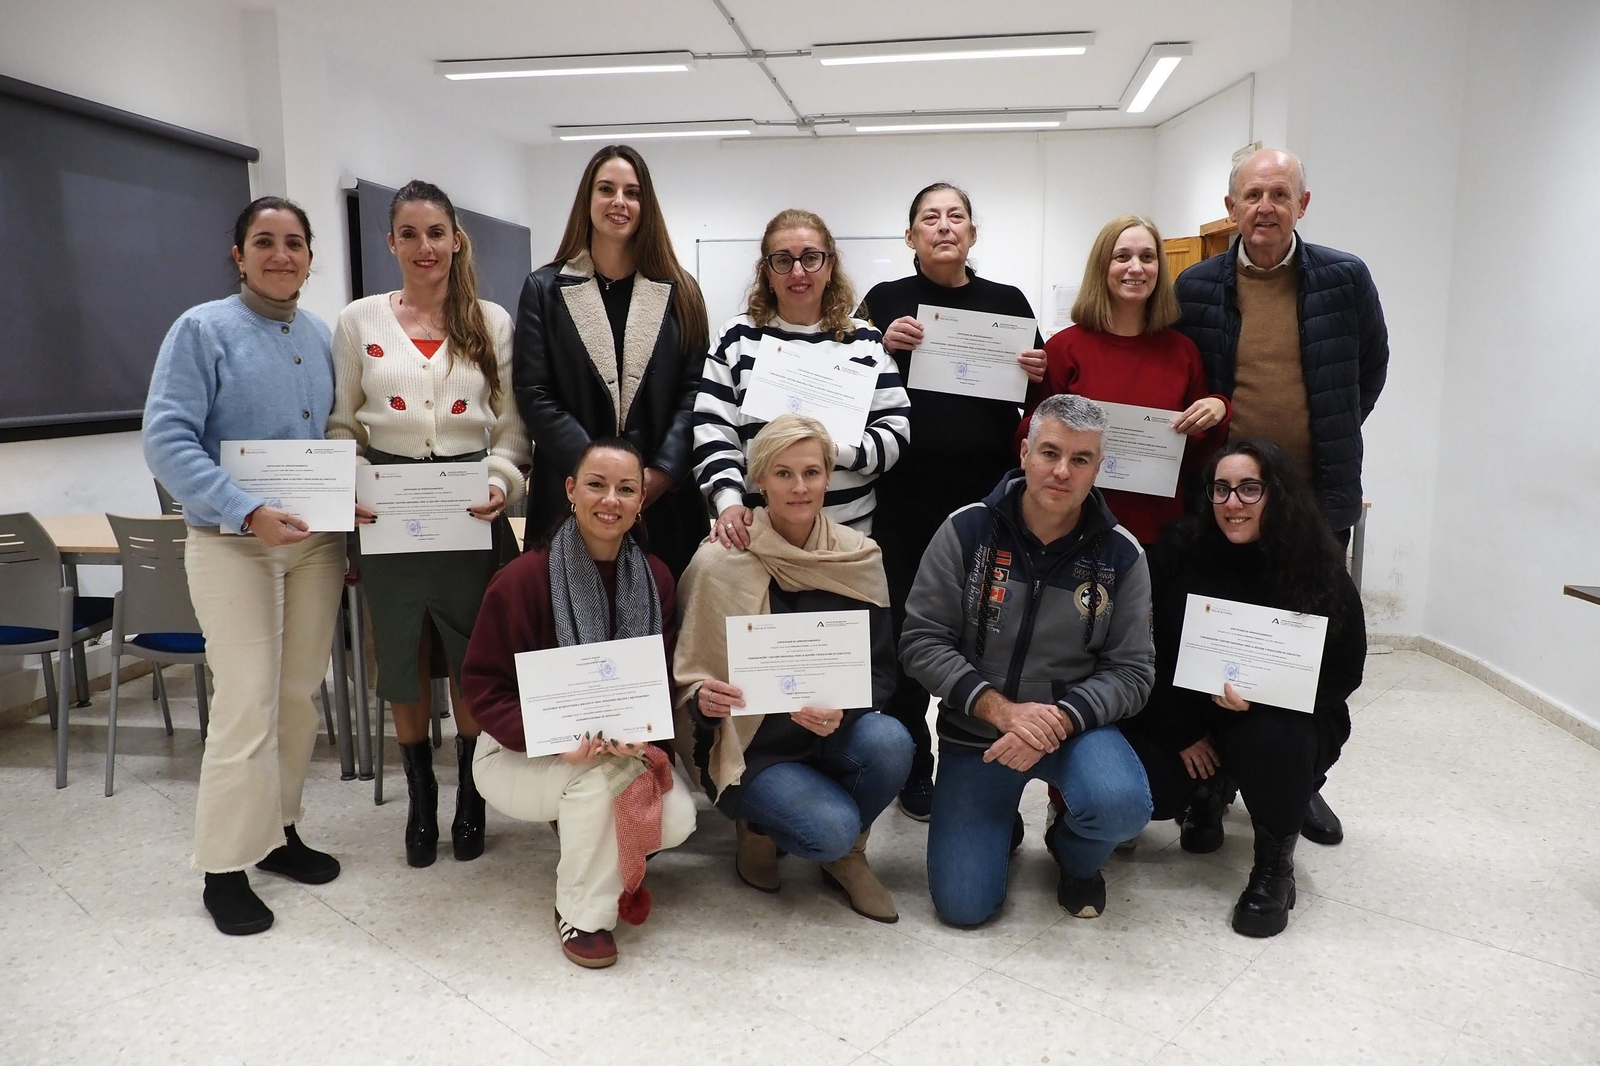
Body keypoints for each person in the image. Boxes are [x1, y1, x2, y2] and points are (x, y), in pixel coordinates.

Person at [1173, 147, 1388, 846]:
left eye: (1279, 193)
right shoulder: (1196, 286)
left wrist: (1328, 431)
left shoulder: (1344, 278)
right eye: (1252, 194)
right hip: (1225, 498)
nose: (1265, 206)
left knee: (1307, 643)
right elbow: (1189, 375)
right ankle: (1212, 781)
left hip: (1315, 499)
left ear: (1303, 203)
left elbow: (1370, 370)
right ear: (1231, 207)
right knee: (1218, 637)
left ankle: (1300, 778)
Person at [142, 196, 344, 935]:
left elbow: (330, 437)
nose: (280, 255)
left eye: (294, 243)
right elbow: (166, 441)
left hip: (314, 546)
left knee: (297, 696)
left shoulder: (319, 334)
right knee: (246, 700)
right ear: (239, 255)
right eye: (264, 242)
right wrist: (245, 507)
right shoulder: (202, 329)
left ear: (310, 257)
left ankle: (278, 832)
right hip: (233, 543)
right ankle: (224, 866)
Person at [328, 180, 530, 868]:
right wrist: (347, 486)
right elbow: (342, 424)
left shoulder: (491, 322)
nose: (424, 247)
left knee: (471, 658)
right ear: (391, 242)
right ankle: (421, 800)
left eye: (436, 233)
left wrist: (501, 482)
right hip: (387, 512)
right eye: (409, 234)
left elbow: (511, 432)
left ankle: (471, 793)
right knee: (403, 657)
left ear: (456, 241)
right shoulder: (359, 321)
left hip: (467, 512)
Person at [900, 393, 1155, 927]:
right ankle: (999, 824)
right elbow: (921, 641)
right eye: (1050, 453)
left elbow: (1132, 671)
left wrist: (1056, 720)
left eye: (1081, 459)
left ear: (1098, 469)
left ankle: (1073, 855)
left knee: (1122, 806)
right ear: (1025, 454)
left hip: (1075, 728)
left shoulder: (1122, 554)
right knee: (963, 908)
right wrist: (1001, 711)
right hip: (980, 734)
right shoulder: (966, 531)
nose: (1062, 471)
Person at [459, 438, 698, 969]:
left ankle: (582, 831)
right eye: (596, 484)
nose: (610, 500)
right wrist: (550, 739)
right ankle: (582, 915)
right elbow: (481, 686)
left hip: (619, 748)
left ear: (640, 501)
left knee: (678, 818)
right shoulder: (522, 579)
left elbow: (656, 679)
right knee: (597, 783)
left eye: (626, 489)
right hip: (514, 752)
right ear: (570, 490)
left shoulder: (656, 577)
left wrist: (645, 733)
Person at [1119, 438, 1366, 937]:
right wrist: (1181, 732)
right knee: (1153, 790)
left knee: (1270, 738)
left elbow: (1346, 667)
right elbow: (1143, 652)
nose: (1233, 502)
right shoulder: (1177, 552)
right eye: (1222, 489)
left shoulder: (1316, 564)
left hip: (1280, 718)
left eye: (1250, 488)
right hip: (1189, 713)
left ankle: (1274, 867)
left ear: (1277, 493)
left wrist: (1269, 694)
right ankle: (1209, 790)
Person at [856, 182, 1048, 822]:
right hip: (904, 503)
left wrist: (1037, 371)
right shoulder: (884, 301)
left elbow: (1037, 402)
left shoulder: (1007, 303)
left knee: (987, 632)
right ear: (911, 235)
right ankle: (914, 763)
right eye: (930, 218)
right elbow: (848, 381)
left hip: (988, 505)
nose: (944, 226)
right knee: (911, 633)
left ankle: (982, 763)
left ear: (972, 232)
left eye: (956, 216)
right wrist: (880, 346)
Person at [673, 415, 912, 922]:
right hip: (756, 750)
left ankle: (847, 856)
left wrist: (844, 712)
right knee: (828, 828)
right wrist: (703, 700)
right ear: (759, 480)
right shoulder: (719, 560)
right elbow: (688, 674)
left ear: (829, 476)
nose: (799, 487)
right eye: (783, 473)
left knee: (891, 741)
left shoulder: (858, 556)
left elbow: (881, 673)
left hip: (829, 733)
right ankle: (759, 828)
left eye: (811, 472)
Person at [512, 144, 710, 574]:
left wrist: (657, 476)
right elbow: (534, 392)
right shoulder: (544, 289)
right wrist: (601, 478)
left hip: (663, 502)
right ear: (588, 199)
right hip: (570, 495)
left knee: (665, 610)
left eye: (632, 192)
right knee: (569, 612)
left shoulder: (682, 292)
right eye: (606, 189)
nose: (619, 202)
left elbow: (694, 393)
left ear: (646, 205)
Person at [693, 209, 910, 545]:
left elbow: (894, 433)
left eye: (810, 258)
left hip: (847, 536)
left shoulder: (865, 341)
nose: (798, 272)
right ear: (767, 272)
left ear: (830, 266)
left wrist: (830, 451)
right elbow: (713, 431)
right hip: (756, 535)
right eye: (783, 260)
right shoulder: (736, 339)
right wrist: (728, 502)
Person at [1019, 213, 1231, 546]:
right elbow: (1030, 440)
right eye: (1122, 257)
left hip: (1156, 533)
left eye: (1147, 257)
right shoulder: (1063, 348)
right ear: (1102, 266)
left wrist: (1218, 410)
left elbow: (1195, 456)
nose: (1136, 267)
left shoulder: (1182, 352)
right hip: (1072, 530)